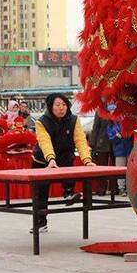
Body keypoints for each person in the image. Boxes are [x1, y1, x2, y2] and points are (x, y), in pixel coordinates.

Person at [31, 93, 95, 232]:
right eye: (58, 105)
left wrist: (87, 160)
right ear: (50, 107)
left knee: (68, 159)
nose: (61, 108)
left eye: (64, 105)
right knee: (41, 193)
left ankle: (68, 192)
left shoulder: (73, 120)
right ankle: (40, 222)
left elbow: (80, 141)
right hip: (43, 160)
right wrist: (51, 159)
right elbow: (45, 142)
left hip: (63, 156)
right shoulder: (42, 122)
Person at [89, 112, 115, 195]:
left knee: (115, 167)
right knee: (102, 167)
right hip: (102, 143)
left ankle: (114, 189)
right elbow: (95, 128)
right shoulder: (100, 111)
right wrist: (92, 144)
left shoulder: (117, 108)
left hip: (116, 143)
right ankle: (101, 189)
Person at [107, 119, 133, 196]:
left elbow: (132, 133)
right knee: (120, 170)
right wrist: (116, 137)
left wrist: (126, 134)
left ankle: (129, 188)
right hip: (119, 150)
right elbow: (110, 137)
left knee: (130, 170)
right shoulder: (111, 125)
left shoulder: (127, 122)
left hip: (129, 148)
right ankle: (121, 188)